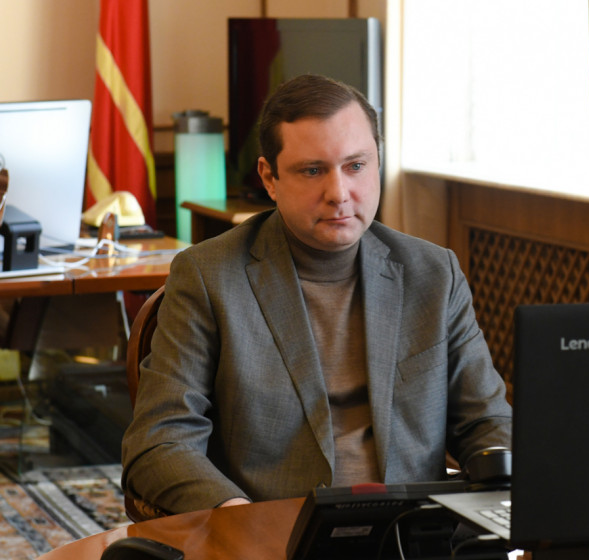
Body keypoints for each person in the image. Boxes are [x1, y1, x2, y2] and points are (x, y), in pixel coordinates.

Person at [121, 74, 512, 515]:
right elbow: (159, 442)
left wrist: (507, 488)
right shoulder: (209, 277)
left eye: (356, 166)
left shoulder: (434, 273)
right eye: (312, 171)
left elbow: (486, 421)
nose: (339, 194)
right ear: (269, 178)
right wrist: (236, 518)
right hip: (271, 533)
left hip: (413, 533)